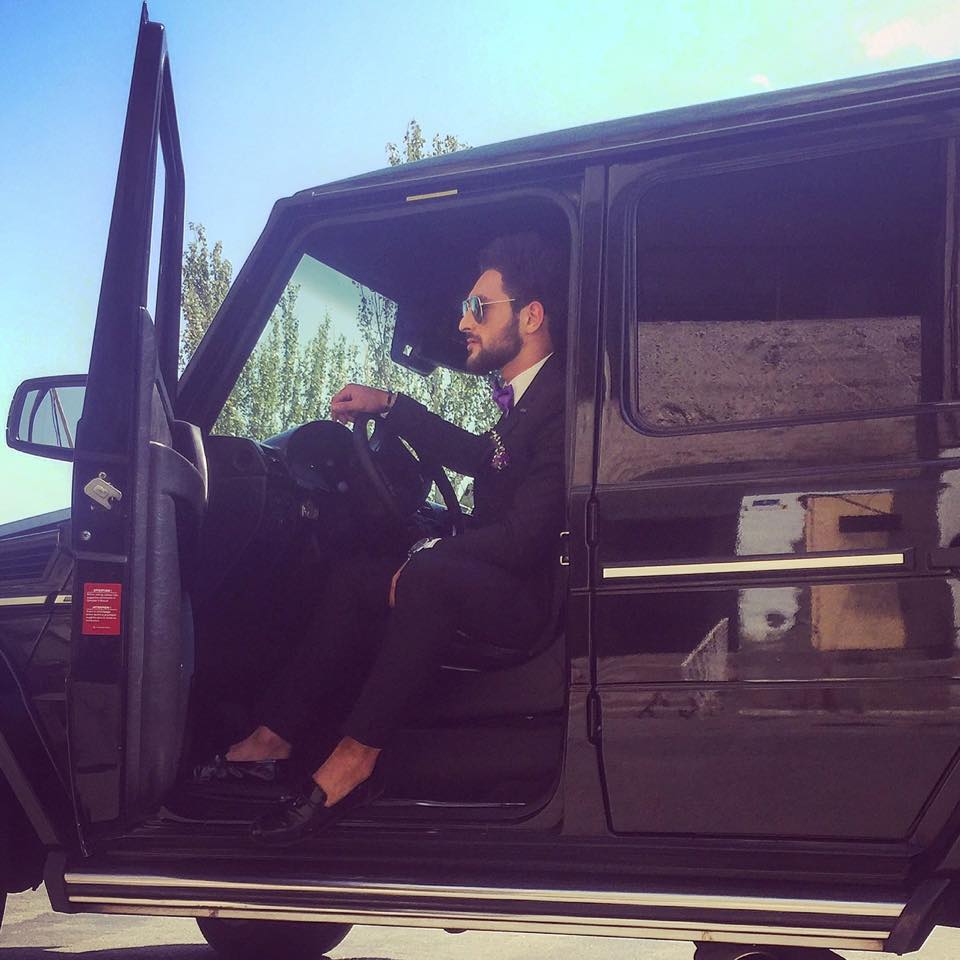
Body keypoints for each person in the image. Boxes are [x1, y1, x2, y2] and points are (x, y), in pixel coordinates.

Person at [224, 232, 566, 843]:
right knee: (357, 578)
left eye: (479, 307)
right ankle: (271, 738)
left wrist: (431, 552)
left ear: (531, 316)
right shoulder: (526, 402)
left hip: (530, 601)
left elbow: (522, 539)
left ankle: (353, 765)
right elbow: (481, 457)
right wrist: (389, 404)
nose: (463, 321)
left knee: (427, 574)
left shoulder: (561, 403)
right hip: (499, 579)